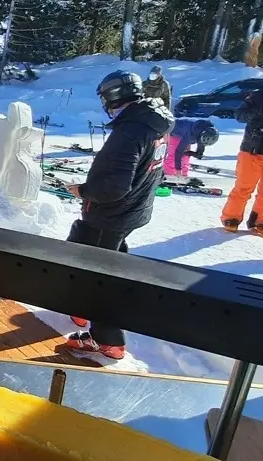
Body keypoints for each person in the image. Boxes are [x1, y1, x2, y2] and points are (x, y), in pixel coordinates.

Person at [63, 70, 173, 360]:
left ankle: (108, 339)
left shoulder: (130, 131)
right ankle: (80, 305)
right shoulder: (150, 121)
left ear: (111, 98)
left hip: (112, 214)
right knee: (81, 249)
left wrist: (84, 190)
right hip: (129, 212)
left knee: (102, 278)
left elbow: (114, 187)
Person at [221, 65, 263, 238]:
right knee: (244, 187)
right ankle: (231, 218)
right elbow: (239, 115)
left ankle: (260, 222)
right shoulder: (259, 95)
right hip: (252, 150)